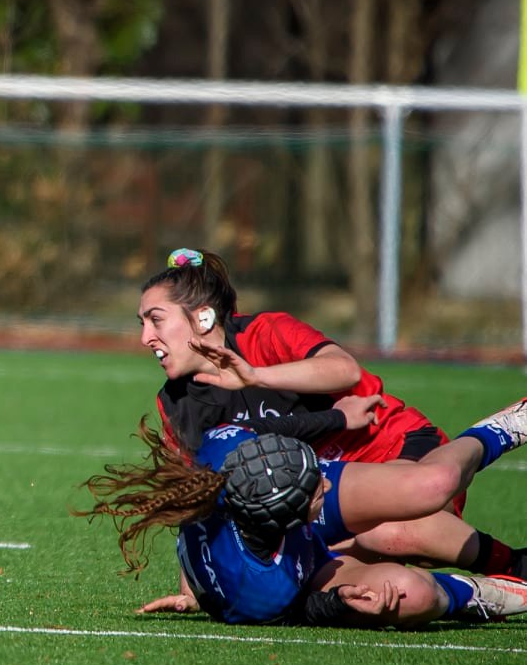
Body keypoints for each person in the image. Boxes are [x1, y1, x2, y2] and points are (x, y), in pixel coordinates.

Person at [138, 247, 527, 578]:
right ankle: (507, 581)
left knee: (393, 527)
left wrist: (255, 376)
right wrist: (192, 587)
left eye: (156, 320)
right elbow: (201, 499)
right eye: (142, 323)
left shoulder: (265, 333)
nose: (145, 337)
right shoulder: (174, 402)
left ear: (203, 318)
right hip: (321, 498)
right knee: (357, 562)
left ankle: (495, 435)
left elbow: (344, 370)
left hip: (392, 447)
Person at [78, 404, 527, 628]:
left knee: (430, 487)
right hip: (303, 560)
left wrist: (331, 419)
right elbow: (301, 606)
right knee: (409, 595)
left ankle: (506, 427)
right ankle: (491, 593)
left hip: (284, 503)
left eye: (319, 475)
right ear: (284, 519)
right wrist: (341, 603)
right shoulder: (256, 591)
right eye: (316, 489)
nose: (327, 485)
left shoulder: (226, 449)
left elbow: (268, 433)